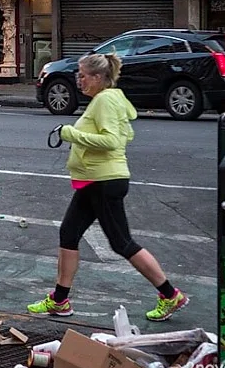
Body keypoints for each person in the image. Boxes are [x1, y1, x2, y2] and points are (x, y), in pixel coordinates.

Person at [27, 53, 189, 322]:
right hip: (95, 181)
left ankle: (170, 294)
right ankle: (59, 299)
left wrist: (70, 133)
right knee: (69, 233)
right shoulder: (109, 100)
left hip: (104, 181)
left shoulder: (104, 101)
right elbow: (126, 134)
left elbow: (112, 141)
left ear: (99, 78)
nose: (79, 80)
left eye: (83, 75)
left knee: (122, 243)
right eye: (79, 75)